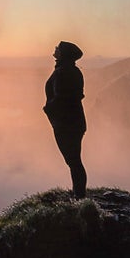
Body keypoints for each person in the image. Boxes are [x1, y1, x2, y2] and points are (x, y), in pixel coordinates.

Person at [43, 40, 87, 199]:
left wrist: (48, 109)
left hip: (66, 124)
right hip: (74, 122)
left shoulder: (63, 72)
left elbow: (63, 98)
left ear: (63, 53)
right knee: (74, 160)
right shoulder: (71, 70)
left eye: (58, 48)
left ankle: (79, 196)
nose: (55, 49)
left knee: (73, 161)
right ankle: (78, 193)